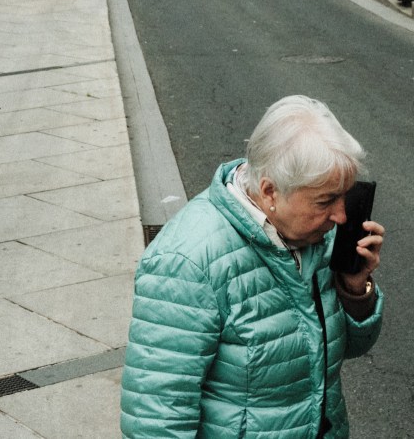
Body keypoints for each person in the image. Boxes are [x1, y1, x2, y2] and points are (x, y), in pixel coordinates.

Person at [120, 95, 384, 439]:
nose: (341, 216)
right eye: (325, 201)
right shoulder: (185, 263)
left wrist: (354, 289)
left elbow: (346, 349)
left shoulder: (320, 235)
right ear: (270, 190)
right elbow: (156, 418)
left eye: (344, 196)